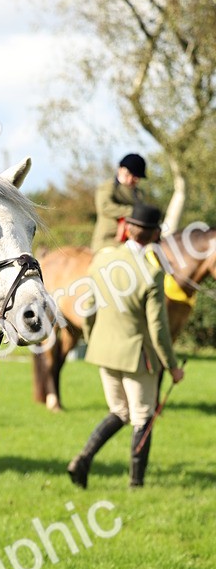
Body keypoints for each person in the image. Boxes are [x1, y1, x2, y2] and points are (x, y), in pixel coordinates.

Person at [68, 202, 184, 489]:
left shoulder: (102, 260)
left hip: (104, 352)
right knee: (142, 417)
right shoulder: (152, 273)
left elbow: (90, 309)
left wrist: (91, 339)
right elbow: (158, 329)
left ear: (129, 229)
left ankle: (82, 459)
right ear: (155, 233)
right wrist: (172, 366)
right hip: (137, 357)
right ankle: (136, 485)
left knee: (120, 411)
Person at [90, 153, 147, 252]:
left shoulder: (138, 193)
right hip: (109, 240)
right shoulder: (108, 187)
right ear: (120, 169)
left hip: (131, 240)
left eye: (135, 177)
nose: (130, 180)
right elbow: (105, 207)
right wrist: (134, 212)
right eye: (128, 174)